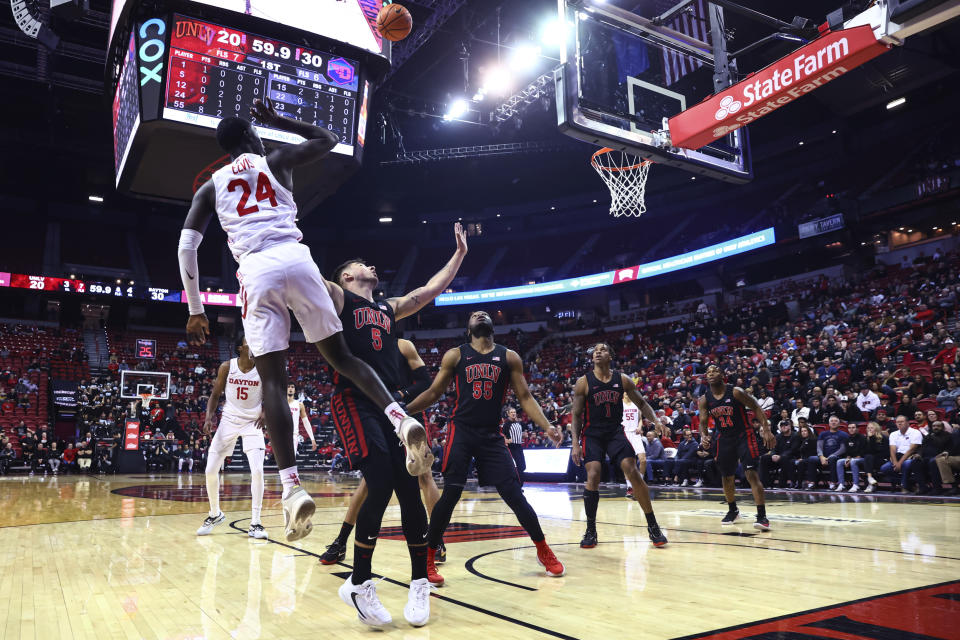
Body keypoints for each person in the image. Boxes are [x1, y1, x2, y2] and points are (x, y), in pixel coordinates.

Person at [178, 97, 428, 543]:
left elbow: (187, 246)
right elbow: (329, 140)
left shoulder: (210, 187)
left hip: (256, 270)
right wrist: (279, 120)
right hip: (297, 258)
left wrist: (196, 309)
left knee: (273, 381)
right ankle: (398, 417)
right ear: (253, 137)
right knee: (343, 356)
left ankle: (292, 487)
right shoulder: (278, 158)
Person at [322, 233, 468, 628]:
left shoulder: (388, 307)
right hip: (354, 399)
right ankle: (360, 581)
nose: (370, 266)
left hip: (391, 408)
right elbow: (306, 277)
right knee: (381, 480)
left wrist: (458, 254)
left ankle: (419, 582)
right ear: (348, 277)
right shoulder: (339, 297)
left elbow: (429, 290)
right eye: (360, 264)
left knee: (409, 489)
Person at [406, 311, 567, 588]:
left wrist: (547, 425)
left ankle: (543, 549)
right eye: (474, 315)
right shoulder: (456, 355)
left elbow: (525, 397)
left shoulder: (509, 357)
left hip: (492, 434)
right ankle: (428, 558)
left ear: (493, 326)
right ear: (468, 329)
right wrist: (401, 413)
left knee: (514, 494)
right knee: (452, 493)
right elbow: (433, 393)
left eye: (485, 314)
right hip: (462, 430)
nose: (480, 314)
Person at [319, 339, 445, 570]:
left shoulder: (403, 345)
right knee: (371, 480)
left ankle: (436, 542)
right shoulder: (365, 347)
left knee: (423, 475)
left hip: (409, 411)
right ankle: (341, 540)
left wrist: (399, 395)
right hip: (379, 413)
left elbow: (424, 383)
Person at [569, 342, 668, 547]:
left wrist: (656, 421)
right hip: (592, 434)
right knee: (594, 473)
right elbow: (576, 415)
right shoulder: (583, 382)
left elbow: (641, 403)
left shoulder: (622, 379)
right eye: (595, 349)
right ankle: (591, 530)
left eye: (603, 349)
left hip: (615, 431)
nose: (597, 352)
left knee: (631, 470)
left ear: (610, 356)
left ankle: (653, 525)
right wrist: (575, 444)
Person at [197, 338, 269, 539]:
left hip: (252, 423)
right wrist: (209, 418)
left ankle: (256, 522)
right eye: (250, 342)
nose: (255, 344)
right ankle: (215, 513)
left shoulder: (263, 367)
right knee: (210, 469)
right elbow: (215, 394)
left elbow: (274, 392)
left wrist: (266, 412)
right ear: (240, 348)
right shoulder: (227, 367)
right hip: (228, 421)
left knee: (257, 470)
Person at [699, 364, 776, 529]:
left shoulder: (735, 391)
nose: (711, 373)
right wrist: (704, 436)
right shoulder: (704, 399)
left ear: (722, 375)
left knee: (751, 474)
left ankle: (762, 516)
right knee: (726, 476)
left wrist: (766, 429)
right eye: (708, 372)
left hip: (743, 435)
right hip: (724, 438)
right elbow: (703, 422)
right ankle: (733, 510)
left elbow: (755, 407)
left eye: (715, 371)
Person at [881, 415, 923, 493]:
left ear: (907, 423)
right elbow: (892, 450)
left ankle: (904, 486)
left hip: (911, 457)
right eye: (897, 422)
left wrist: (899, 463)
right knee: (884, 468)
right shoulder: (893, 434)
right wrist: (895, 462)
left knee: (906, 464)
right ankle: (909, 484)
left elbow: (911, 450)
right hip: (897, 457)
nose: (899, 424)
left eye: (902, 422)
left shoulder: (915, 432)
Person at [758, 420, 801, 488]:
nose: (783, 427)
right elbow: (774, 448)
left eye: (785, 425)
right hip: (778, 457)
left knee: (784, 458)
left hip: (791, 457)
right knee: (764, 458)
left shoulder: (795, 436)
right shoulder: (778, 436)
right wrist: (773, 455)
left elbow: (793, 450)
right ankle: (765, 483)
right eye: (782, 426)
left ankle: (792, 482)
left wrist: (780, 456)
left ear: (789, 426)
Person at [815, 416, 850, 491]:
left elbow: (843, 449)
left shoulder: (844, 434)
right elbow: (819, 447)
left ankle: (833, 482)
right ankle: (812, 482)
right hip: (823, 458)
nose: (833, 422)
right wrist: (821, 457)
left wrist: (830, 456)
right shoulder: (823, 434)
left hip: (837, 457)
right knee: (811, 459)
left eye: (836, 421)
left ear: (839, 423)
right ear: (829, 423)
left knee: (833, 459)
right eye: (832, 421)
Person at [836, 422, 867, 492]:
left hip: (862, 458)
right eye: (849, 428)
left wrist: (851, 459)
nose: (851, 429)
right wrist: (847, 458)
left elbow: (862, 452)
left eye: (853, 428)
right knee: (839, 461)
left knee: (853, 461)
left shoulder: (863, 438)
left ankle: (856, 484)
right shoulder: (847, 438)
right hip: (852, 458)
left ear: (857, 429)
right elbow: (848, 452)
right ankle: (842, 484)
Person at [622, 394, 647, 480]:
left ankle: (640, 480)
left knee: (643, 460)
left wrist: (639, 427)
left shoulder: (636, 404)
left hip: (635, 434)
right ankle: (629, 486)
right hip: (624, 434)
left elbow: (640, 419)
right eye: (625, 392)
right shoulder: (619, 404)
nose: (627, 394)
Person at [286, 385, 316, 455]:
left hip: (293, 435)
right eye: (288, 387)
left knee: (291, 461)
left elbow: (306, 422)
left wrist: (312, 439)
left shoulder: (299, 404)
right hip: (281, 435)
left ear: (295, 390)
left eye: (292, 387)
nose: (290, 388)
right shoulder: (279, 403)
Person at [862, 421, 888, 492]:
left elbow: (880, 451)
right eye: (868, 428)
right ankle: (870, 480)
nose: (869, 429)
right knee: (868, 457)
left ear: (876, 429)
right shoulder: (866, 438)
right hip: (870, 460)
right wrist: (870, 438)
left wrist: (872, 438)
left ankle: (870, 482)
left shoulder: (883, 438)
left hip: (882, 459)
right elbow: (865, 451)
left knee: (868, 458)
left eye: (872, 428)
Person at [504, 408, 527, 486]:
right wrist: (506, 440)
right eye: (511, 412)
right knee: (518, 467)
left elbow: (522, 433)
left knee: (523, 466)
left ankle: (517, 484)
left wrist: (523, 435)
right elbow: (502, 435)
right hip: (512, 447)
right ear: (508, 414)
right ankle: (518, 485)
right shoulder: (506, 424)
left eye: (514, 412)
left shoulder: (519, 423)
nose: (513, 413)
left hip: (519, 446)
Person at [934, 426, 960, 494]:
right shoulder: (956, 433)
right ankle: (954, 487)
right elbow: (954, 447)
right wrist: (948, 452)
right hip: (957, 457)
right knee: (941, 460)